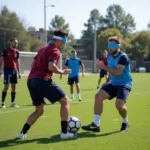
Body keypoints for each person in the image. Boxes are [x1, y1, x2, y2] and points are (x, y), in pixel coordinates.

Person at [17, 30, 78, 140]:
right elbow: (51, 67)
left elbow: (32, 64)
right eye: (64, 42)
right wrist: (61, 72)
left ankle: (22, 133)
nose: (64, 44)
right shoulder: (55, 50)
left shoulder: (42, 49)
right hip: (42, 80)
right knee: (65, 101)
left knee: (39, 110)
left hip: (31, 81)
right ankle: (64, 133)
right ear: (59, 40)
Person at [82, 36, 132, 132]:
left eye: (112, 45)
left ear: (118, 46)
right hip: (113, 83)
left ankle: (125, 122)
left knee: (119, 105)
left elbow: (117, 72)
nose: (110, 48)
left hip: (124, 84)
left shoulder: (123, 57)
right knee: (98, 96)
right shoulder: (109, 57)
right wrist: (107, 81)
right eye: (109, 45)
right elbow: (111, 72)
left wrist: (103, 67)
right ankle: (96, 125)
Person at [0, 38, 21, 108]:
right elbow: (1, 60)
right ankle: (2, 103)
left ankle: (12, 102)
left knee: (14, 87)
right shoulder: (6, 51)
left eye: (17, 43)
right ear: (10, 42)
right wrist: (0, 70)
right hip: (7, 70)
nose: (16, 44)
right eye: (15, 42)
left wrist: (19, 72)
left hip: (14, 70)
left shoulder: (17, 52)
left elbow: (17, 62)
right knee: (6, 86)